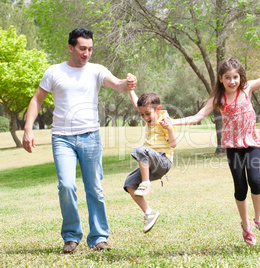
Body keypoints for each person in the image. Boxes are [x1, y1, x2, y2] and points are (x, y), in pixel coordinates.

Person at [22, 28, 137, 254]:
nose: (87, 53)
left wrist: (128, 82)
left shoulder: (96, 70)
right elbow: (36, 100)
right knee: (66, 185)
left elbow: (118, 85)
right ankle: (71, 236)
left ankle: (99, 238)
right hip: (62, 138)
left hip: (90, 137)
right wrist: (28, 129)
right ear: (71, 47)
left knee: (94, 187)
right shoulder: (54, 72)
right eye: (82, 48)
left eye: (90, 49)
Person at [172, 42, 260, 246]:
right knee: (240, 187)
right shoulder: (218, 98)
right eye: (227, 77)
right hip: (232, 147)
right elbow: (197, 117)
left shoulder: (247, 88)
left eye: (235, 77)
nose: (232, 81)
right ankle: (246, 225)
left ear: (240, 76)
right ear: (221, 79)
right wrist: (172, 121)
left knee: (256, 181)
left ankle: (259, 219)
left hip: (251, 143)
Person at [124, 91, 177, 233]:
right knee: (129, 184)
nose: (145, 117)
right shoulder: (150, 116)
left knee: (140, 150)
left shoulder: (164, 121)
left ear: (158, 109)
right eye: (142, 115)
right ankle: (149, 213)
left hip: (163, 161)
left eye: (147, 114)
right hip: (150, 163)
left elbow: (173, 144)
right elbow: (138, 105)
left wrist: (170, 129)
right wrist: (130, 89)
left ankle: (146, 183)